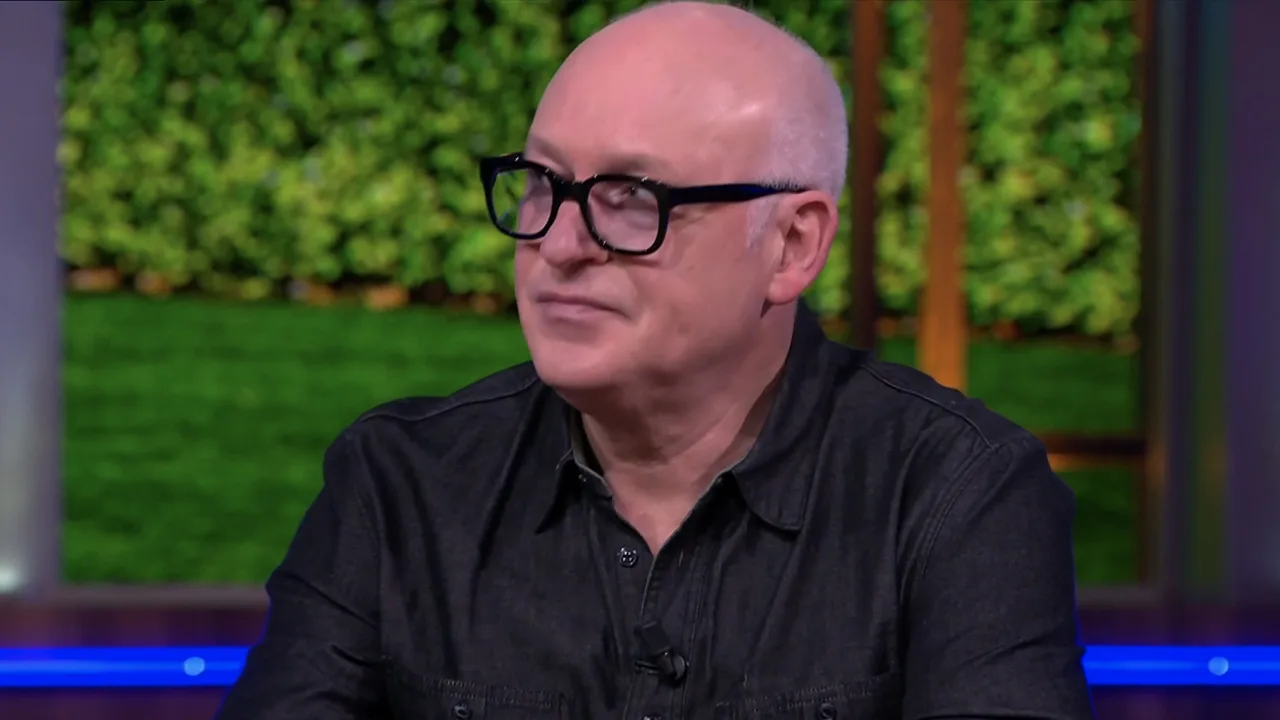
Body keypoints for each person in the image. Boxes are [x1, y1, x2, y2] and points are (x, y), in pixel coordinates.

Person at [216, 2, 1095, 719]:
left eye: (630, 199)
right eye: (542, 184)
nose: (559, 245)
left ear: (792, 245)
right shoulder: (399, 484)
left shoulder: (958, 495)